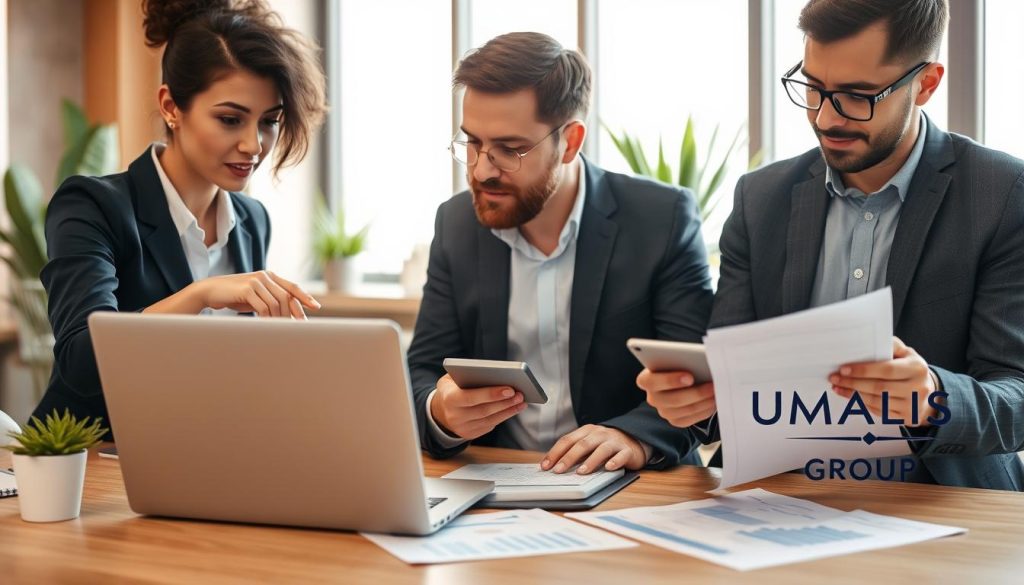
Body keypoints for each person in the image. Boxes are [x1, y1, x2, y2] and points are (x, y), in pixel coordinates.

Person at [640, 0, 1024, 490]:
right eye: (813, 89)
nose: (825, 118)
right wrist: (699, 404)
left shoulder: (1002, 193)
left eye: (857, 96)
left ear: (926, 83)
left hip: (941, 501)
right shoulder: (760, 198)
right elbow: (728, 374)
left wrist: (933, 397)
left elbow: (1016, 395)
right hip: (780, 497)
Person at [408, 32, 713, 475]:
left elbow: (696, 386)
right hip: (493, 482)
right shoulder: (456, 223)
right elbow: (422, 369)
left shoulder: (661, 219)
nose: (480, 169)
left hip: (632, 485)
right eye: (472, 142)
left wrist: (633, 436)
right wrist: (442, 412)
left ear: (570, 141)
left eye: (510, 150)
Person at [31, 0, 328, 438]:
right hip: (88, 463)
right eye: (230, 119)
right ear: (171, 106)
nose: (254, 144)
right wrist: (202, 294)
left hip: (201, 455)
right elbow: (81, 361)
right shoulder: (92, 205)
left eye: (269, 122)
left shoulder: (251, 220)